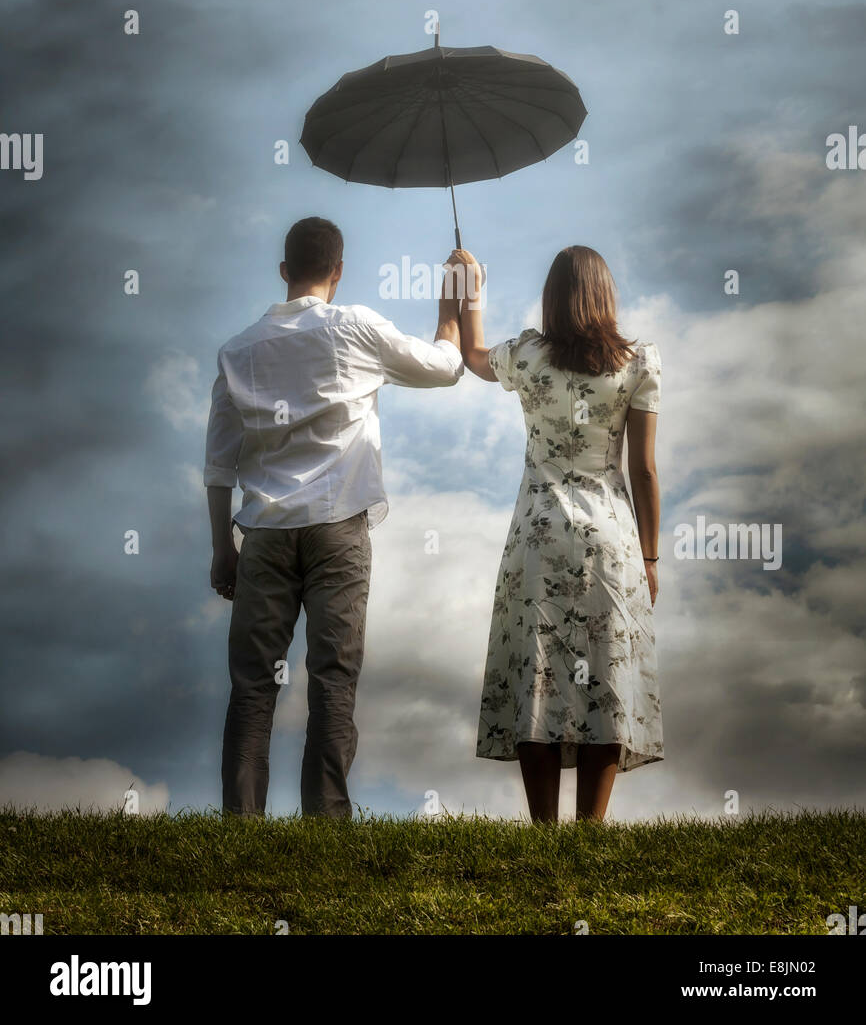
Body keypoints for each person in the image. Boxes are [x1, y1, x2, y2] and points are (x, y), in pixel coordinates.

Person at [204, 217, 463, 818]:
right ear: (338, 271)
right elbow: (445, 368)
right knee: (333, 678)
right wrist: (451, 307)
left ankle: (239, 829)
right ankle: (325, 823)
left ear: (284, 272)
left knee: (251, 687)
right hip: (338, 529)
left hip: (264, 532)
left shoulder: (238, 349)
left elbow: (218, 466)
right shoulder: (355, 327)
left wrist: (223, 549)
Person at [453, 244, 663, 823]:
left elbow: (471, 354)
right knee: (607, 674)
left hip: (538, 536)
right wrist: (650, 556)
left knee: (537, 672)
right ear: (606, 294)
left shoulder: (527, 355)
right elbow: (643, 470)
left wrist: (468, 284)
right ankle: (589, 830)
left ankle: (543, 828)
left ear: (552, 298)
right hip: (611, 539)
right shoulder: (640, 362)